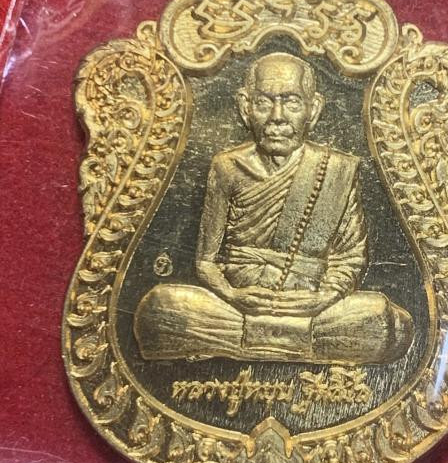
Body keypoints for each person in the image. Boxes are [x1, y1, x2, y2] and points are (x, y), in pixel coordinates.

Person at [134, 52, 413, 364]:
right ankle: (294, 343)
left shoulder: (336, 170)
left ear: (313, 109)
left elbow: (349, 258)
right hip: (236, 307)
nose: (277, 117)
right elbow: (206, 262)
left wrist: (324, 298)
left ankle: (246, 344)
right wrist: (233, 294)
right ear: (245, 107)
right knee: (161, 308)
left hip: (311, 309)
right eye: (264, 103)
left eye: (291, 102)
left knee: (381, 319)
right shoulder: (227, 167)